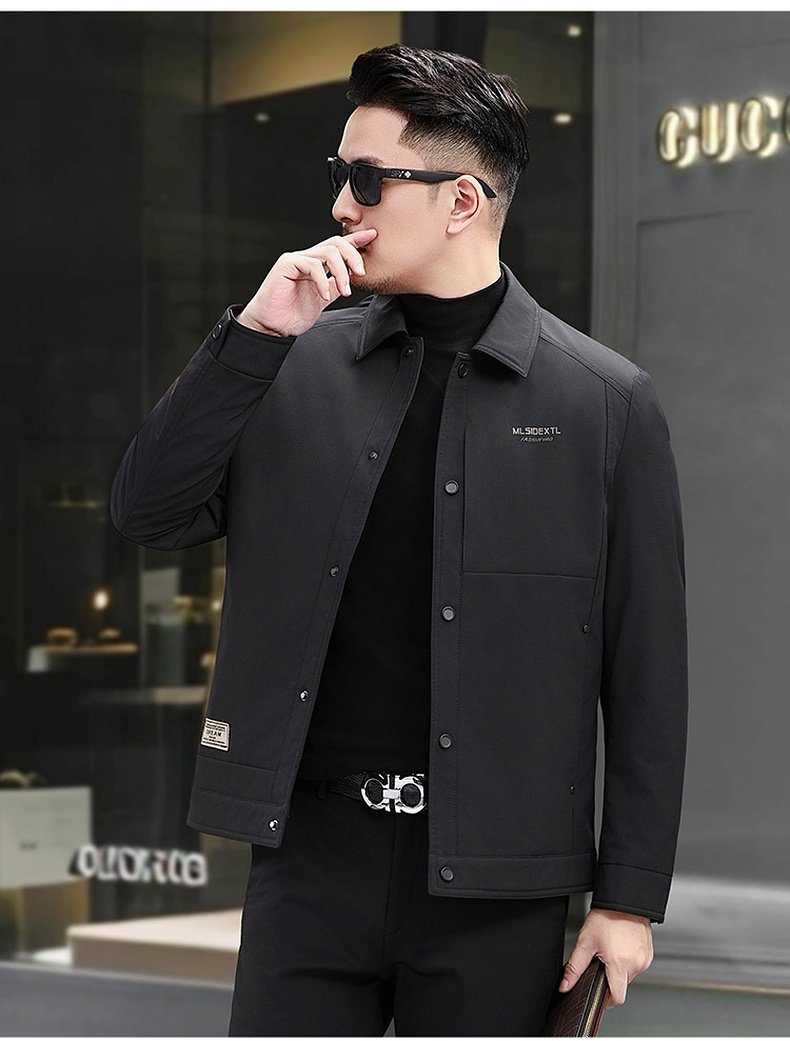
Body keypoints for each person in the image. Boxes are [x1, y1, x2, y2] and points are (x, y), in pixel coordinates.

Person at [110, 42, 687, 1036]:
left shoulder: (604, 404)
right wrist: (253, 336)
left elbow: (647, 674)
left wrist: (628, 899)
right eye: (341, 175)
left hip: (496, 883)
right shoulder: (289, 361)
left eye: (369, 179)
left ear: (461, 201)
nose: (343, 204)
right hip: (308, 859)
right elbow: (148, 512)